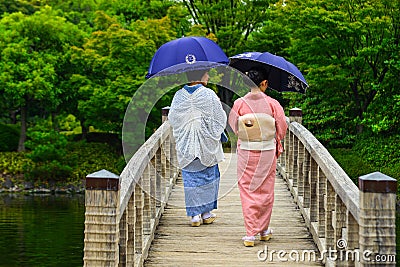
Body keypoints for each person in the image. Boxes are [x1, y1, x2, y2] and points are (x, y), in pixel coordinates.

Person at [228, 67, 288, 246]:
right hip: (267, 151)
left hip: (246, 150)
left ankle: (250, 233)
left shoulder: (239, 103)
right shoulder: (272, 103)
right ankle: (263, 229)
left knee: (247, 188)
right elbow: (282, 127)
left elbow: (234, 126)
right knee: (266, 188)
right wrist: (274, 137)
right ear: (265, 83)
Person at [168, 69, 227, 227]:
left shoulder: (179, 95)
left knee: (191, 178)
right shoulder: (208, 94)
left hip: (187, 142)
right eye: (206, 74)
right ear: (201, 76)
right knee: (209, 176)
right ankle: (206, 213)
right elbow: (219, 118)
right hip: (205, 144)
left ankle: (194, 215)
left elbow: (173, 117)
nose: (208, 77)